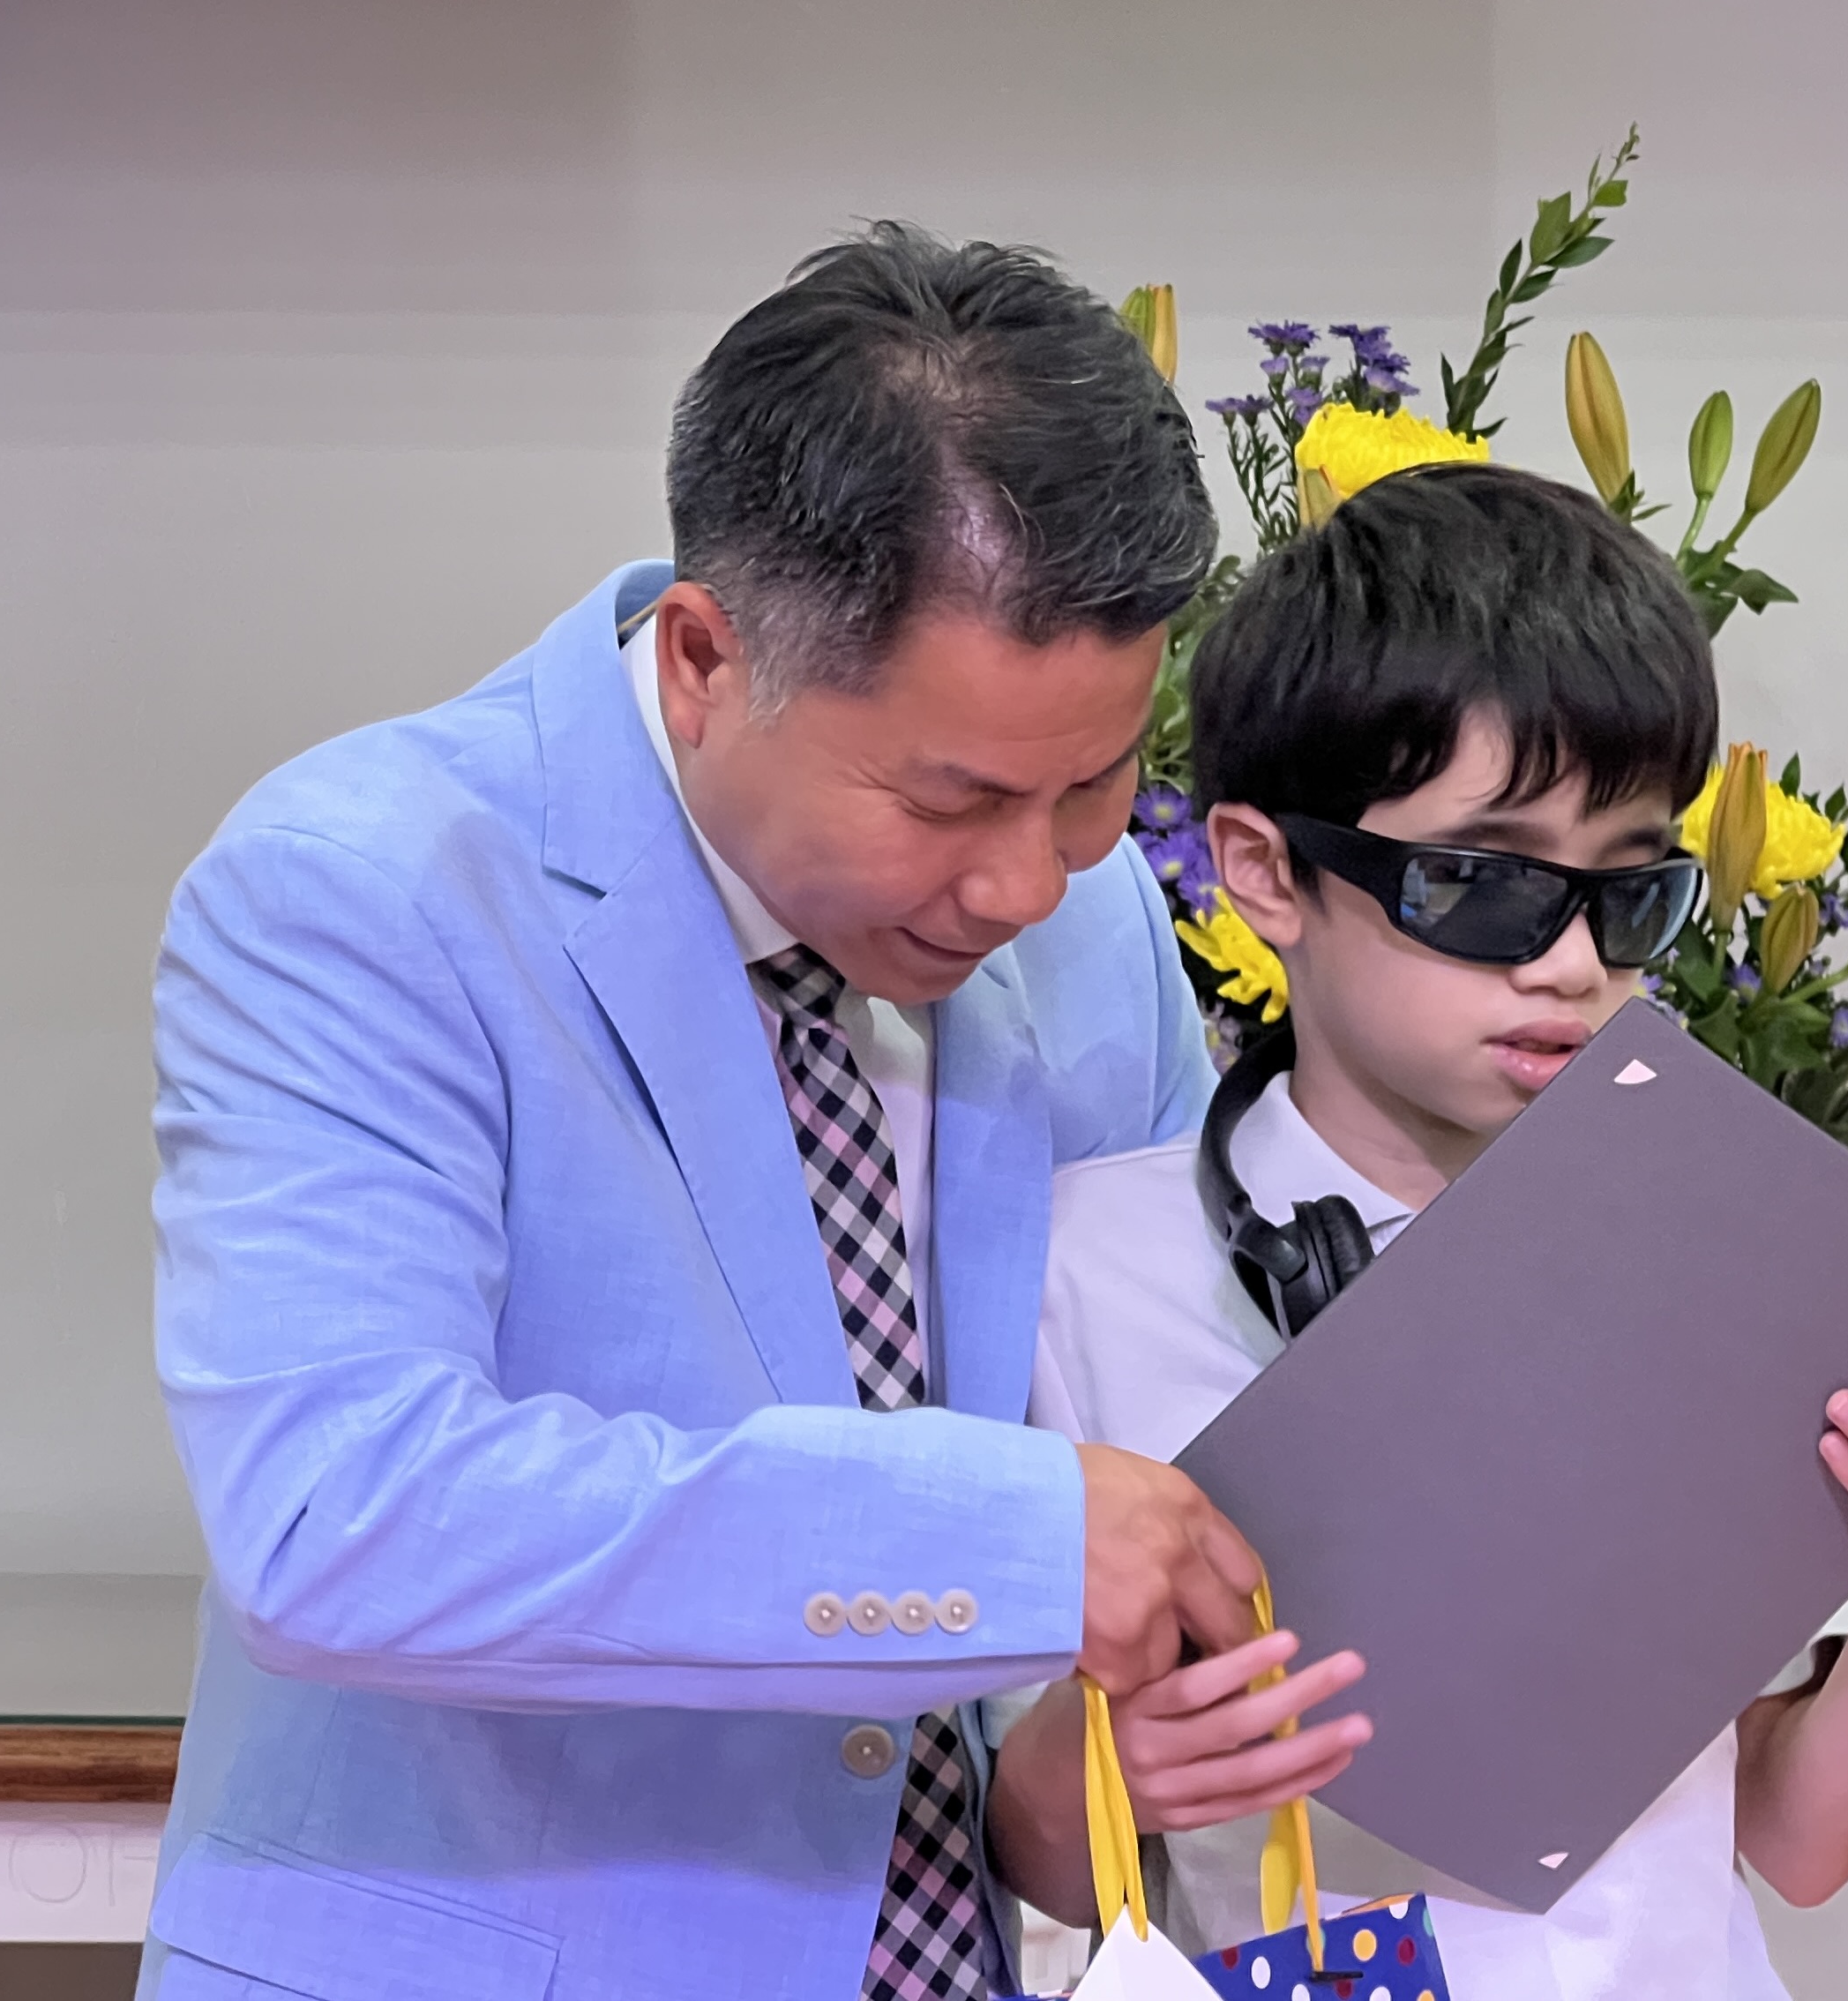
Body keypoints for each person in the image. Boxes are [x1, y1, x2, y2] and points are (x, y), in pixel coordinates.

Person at [141, 228, 1282, 2001]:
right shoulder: (365, 889)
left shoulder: (1101, 923)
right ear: (701, 659)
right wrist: (1004, 1540)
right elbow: (341, 1519)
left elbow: (1149, 1465)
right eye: (950, 800)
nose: (1024, 886)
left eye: (1094, 784)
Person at [991, 463, 1848, 1997]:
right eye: (1481, 887)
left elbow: (1800, 1839)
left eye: (1629, 898)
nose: (1567, 965)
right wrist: (1118, 1762)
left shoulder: (1714, 1254)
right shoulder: (1076, 1272)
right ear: (1266, 870)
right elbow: (1016, 1856)